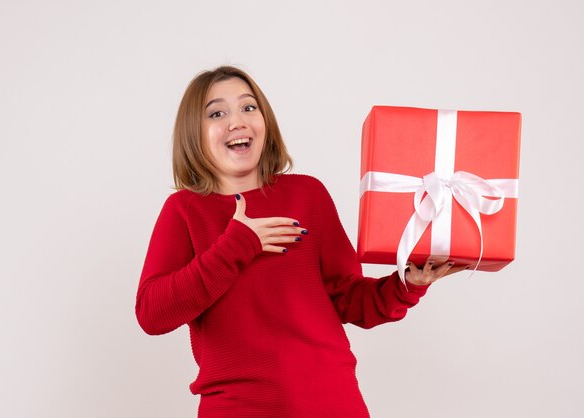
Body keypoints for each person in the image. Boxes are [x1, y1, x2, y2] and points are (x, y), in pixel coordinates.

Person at [135, 65, 465, 418]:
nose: (237, 121)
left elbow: (349, 299)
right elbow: (152, 314)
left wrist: (406, 285)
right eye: (217, 113)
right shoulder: (184, 210)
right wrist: (236, 246)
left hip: (333, 403)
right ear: (193, 134)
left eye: (249, 107)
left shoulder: (307, 194)